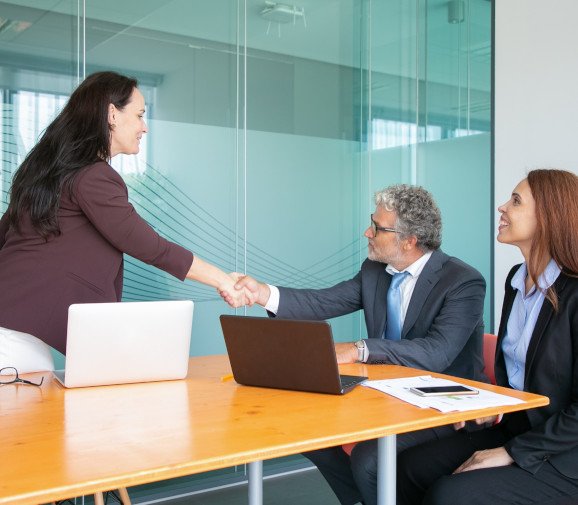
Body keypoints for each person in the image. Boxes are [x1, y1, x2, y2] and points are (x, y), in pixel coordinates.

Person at [222, 184, 486, 505]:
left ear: (409, 240)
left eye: (378, 227)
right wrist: (263, 292)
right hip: (385, 393)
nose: (367, 232)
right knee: (304, 430)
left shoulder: (461, 281)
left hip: (443, 402)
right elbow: (323, 303)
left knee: (368, 458)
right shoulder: (375, 272)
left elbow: (437, 352)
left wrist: (359, 348)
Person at [0, 71, 248, 365]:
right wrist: (223, 280)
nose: (145, 127)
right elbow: (151, 247)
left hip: (14, 329)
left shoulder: (45, 171)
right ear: (112, 114)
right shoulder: (93, 176)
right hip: (15, 340)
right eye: (140, 115)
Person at [397, 169, 578, 505]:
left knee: (450, 495)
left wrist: (511, 452)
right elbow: (522, 375)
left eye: (516, 200)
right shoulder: (517, 279)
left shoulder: (575, 292)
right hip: (519, 429)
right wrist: (485, 403)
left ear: (549, 217)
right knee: (408, 468)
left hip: (565, 455)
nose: (502, 207)